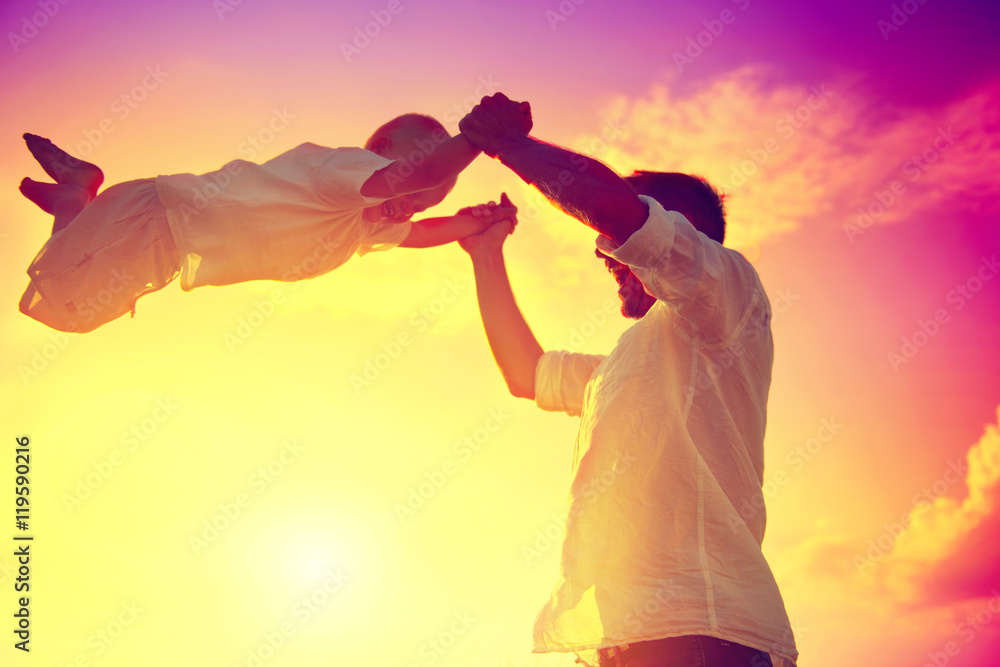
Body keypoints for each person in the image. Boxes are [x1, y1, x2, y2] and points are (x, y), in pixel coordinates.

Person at [457, 93, 798, 667]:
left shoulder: (728, 293)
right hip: (623, 640)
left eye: (619, 226)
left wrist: (508, 144)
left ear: (680, 231)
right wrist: (485, 254)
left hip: (701, 629)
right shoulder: (627, 364)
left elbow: (616, 211)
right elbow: (527, 374)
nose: (601, 247)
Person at [17, 112, 522, 333]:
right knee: (63, 292)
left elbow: (426, 233)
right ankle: (78, 188)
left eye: (420, 203)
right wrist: (481, 138)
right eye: (409, 190)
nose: (408, 206)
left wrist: (480, 223)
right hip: (162, 217)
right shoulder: (342, 173)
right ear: (383, 153)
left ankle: (71, 201)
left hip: (168, 251)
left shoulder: (365, 226)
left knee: (76, 308)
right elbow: (430, 169)